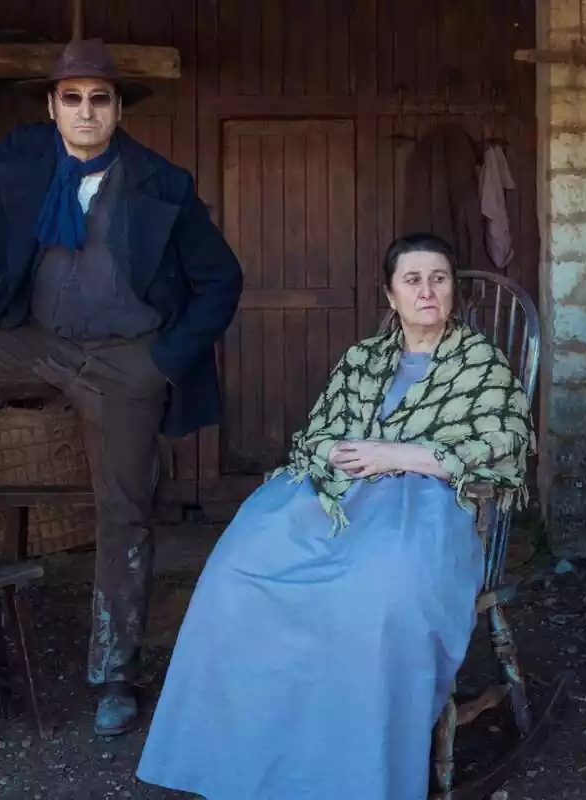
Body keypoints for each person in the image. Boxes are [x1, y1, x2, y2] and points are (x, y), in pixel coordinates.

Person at [0, 39, 243, 738]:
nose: (84, 111)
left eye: (98, 99)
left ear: (115, 110)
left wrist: (163, 362)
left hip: (125, 361)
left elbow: (221, 281)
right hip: (37, 342)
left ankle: (113, 672)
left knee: (124, 513)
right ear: (51, 107)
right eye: (71, 98)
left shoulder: (160, 182)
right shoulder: (19, 160)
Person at [136, 233, 535, 799]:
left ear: (453, 292)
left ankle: (354, 773)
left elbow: (502, 441)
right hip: (345, 493)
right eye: (412, 280)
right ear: (390, 296)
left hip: (431, 503)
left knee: (371, 598)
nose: (427, 290)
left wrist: (395, 455)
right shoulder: (363, 358)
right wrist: (338, 455)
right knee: (238, 573)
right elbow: (320, 430)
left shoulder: (481, 362)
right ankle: (250, 753)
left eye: (439, 278)